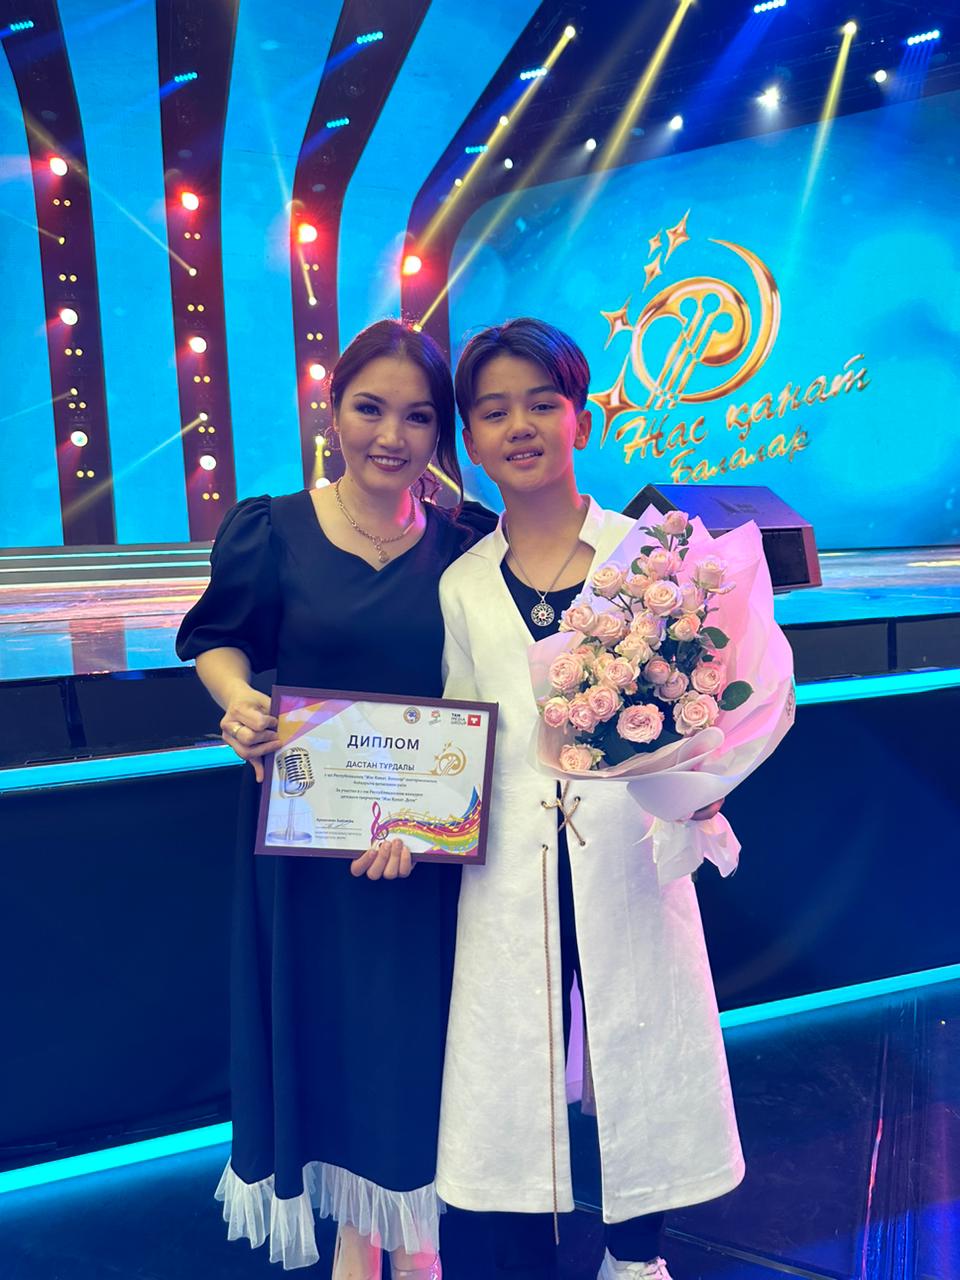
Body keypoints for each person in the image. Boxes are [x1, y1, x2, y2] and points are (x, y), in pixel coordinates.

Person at [176, 319, 495, 1280]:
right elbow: (219, 639)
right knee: (330, 1031)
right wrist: (239, 702)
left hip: (427, 847)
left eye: (417, 417)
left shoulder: (470, 543)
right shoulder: (271, 528)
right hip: (310, 841)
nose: (391, 436)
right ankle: (360, 1241)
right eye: (370, 408)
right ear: (332, 410)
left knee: (417, 1034)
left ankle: (416, 1237)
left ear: (441, 433)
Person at [436, 318, 746, 1280]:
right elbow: (460, 730)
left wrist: (700, 786)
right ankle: (522, 1242)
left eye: (542, 403)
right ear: (470, 440)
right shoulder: (461, 585)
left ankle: (635, 1255)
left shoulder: (650, 558)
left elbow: (714, 697)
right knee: (511, 1052)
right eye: (494, 412)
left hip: (625, 850)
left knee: (641, 1040)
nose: (520, 426)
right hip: (509, 863)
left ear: (583, 418)